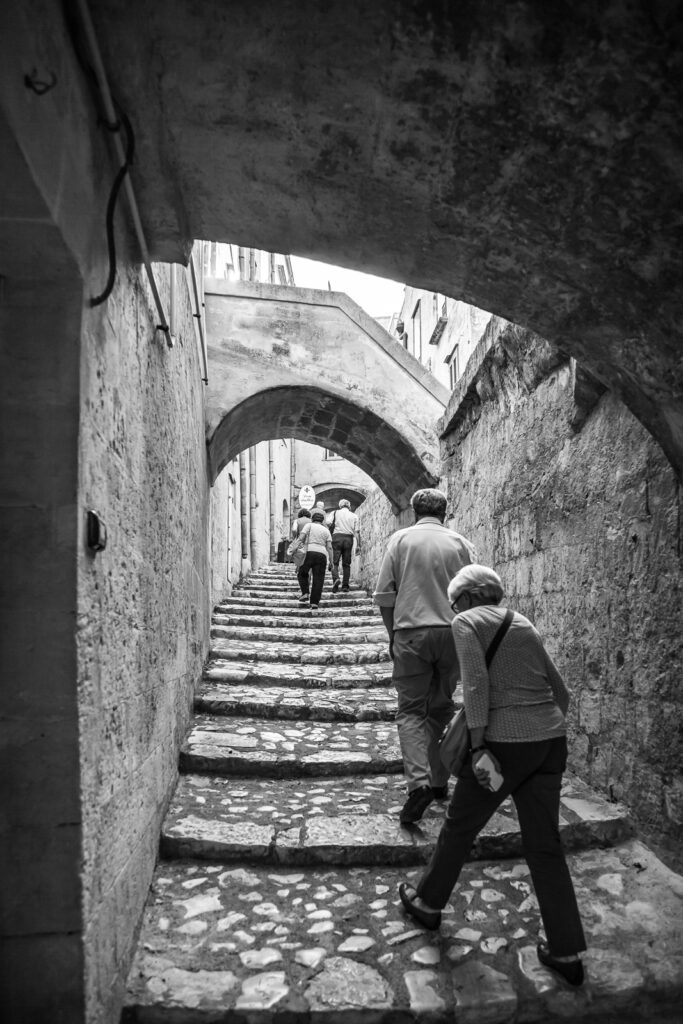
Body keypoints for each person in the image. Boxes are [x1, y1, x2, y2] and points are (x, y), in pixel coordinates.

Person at [398, 564, 586, 987]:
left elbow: (477, 686)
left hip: (503, 743)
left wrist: (481, 744)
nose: (453, 609)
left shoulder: (465, 622)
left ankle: (428, 902)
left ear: (464, 598)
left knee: (460, 825)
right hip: (550, 741)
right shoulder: (524, 622)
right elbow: (561, 691)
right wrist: (544, 729)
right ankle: (566, 950)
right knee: (545, 844)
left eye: (453, 603)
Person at [373, 488, 476, 824]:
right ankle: (439, 780)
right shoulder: (461, 543)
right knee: (442, 706)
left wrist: (393, 634)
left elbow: (385, 594)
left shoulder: (400, 540)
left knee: (412, 711)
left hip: (411, 632)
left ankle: (418, 784)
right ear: (445, 512)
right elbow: (473, 594)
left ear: (414, 511)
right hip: (452, 633)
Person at [292, 509, 333, 610]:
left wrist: (294, 548)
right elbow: (330, 547)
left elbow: (301, 538)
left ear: (312, 519)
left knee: (302, 572)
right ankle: (314, 603)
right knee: (318, 579)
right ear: (322, 521)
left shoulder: (309, 525)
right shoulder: (326, 530)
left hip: (309, 552)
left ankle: (305, 592)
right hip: (322, 555)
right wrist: (331, 561)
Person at [327, 498, 361, 593]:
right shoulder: (354, 516)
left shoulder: (334, 513)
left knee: (335, 562)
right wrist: (358, 545)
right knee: (346, 564)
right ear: (349, 506)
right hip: (348, 539)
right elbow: (357, 532)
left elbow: (328, 523)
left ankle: (336, 579)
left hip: (336, 537)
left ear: (340, 506)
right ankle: (345, 586)